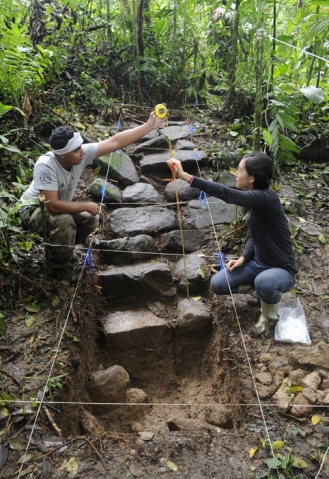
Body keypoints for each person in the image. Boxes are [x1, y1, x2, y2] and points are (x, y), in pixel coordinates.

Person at [20, 112, 163, 280]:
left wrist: (148, 126)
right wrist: (85, 205)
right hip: (33, 209)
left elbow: (114, 142)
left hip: (54, 207)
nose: (82, 152)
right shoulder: (45, 165)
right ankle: (58, 270)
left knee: (89, 220)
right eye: (76, 150)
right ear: (62, 155)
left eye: (81, 147)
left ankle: (63, 251)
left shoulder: (79, 154)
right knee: (64, 222)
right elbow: (51, 206)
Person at [167, 152, 298, 334]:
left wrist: (185, 176)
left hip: (282, 270)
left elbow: (227, 194)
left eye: (239, 170)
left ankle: (269, 316)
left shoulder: (266, 199)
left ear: (251, 177)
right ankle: (261, 294)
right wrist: (243, 258)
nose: (236, 174)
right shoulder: (255, 202)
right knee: (218, 283)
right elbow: (254, 236)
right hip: (257, 264)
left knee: (265, 282)